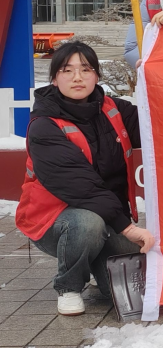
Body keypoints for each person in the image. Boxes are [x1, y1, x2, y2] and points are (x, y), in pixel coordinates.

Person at [15, 42, 154, 315]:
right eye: (67, 70)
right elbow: (82, 187)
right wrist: (127, 228)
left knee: (126, 291)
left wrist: (154, 81)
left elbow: (156, 126)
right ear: (54, 79)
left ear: (96, 76)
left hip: (107, 217)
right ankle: (68, 287)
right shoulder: (44, 125)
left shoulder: (114, 110)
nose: (77, 77)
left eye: (86, 69)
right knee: (87, 223)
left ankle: (93, 262)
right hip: (53, 222)